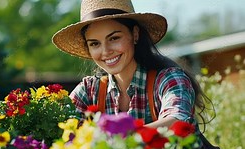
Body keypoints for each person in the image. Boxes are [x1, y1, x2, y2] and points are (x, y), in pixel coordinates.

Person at [52, 0, 211, 129]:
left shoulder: (168, 79)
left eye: (114, 38)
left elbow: (178, 120)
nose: (105, 51)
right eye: (95, 44)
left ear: (135, 34)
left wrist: (115, 138)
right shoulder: (89, 91)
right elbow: (56, 126)